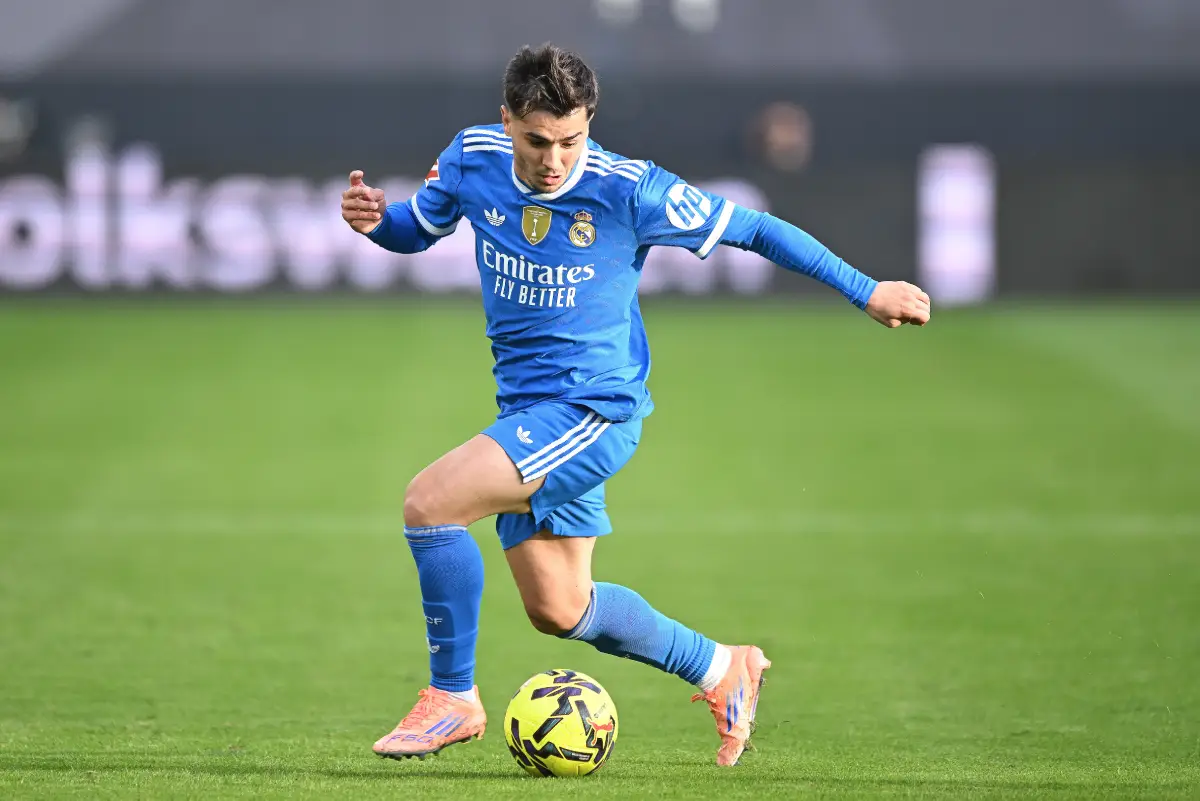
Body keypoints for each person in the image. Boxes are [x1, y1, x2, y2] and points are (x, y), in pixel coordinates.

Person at [340, 43, 930, 768]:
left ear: (590, 124)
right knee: (560, 607)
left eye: (571, 140)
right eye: (536, 140)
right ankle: (722, 666)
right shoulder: (472, 157)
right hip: (530, 408)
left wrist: (865, 288)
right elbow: (416, 228)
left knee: (430, 503)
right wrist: (376, 220)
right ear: (507, 122)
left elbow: (755, 227)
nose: (554, 159)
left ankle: (453, 697)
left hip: (592, 410)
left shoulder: (630, 189)